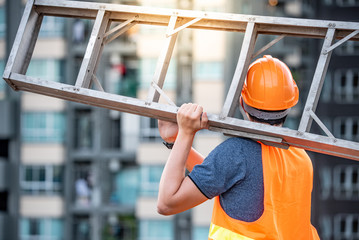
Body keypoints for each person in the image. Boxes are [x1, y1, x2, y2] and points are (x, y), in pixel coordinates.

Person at [157, 55, 320, 239]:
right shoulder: (300, 156)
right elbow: (224, 178)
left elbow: (166, 203)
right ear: (291, 103)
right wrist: (175, 140)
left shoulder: (237, 153)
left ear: (242, 101)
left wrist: (186, 134)